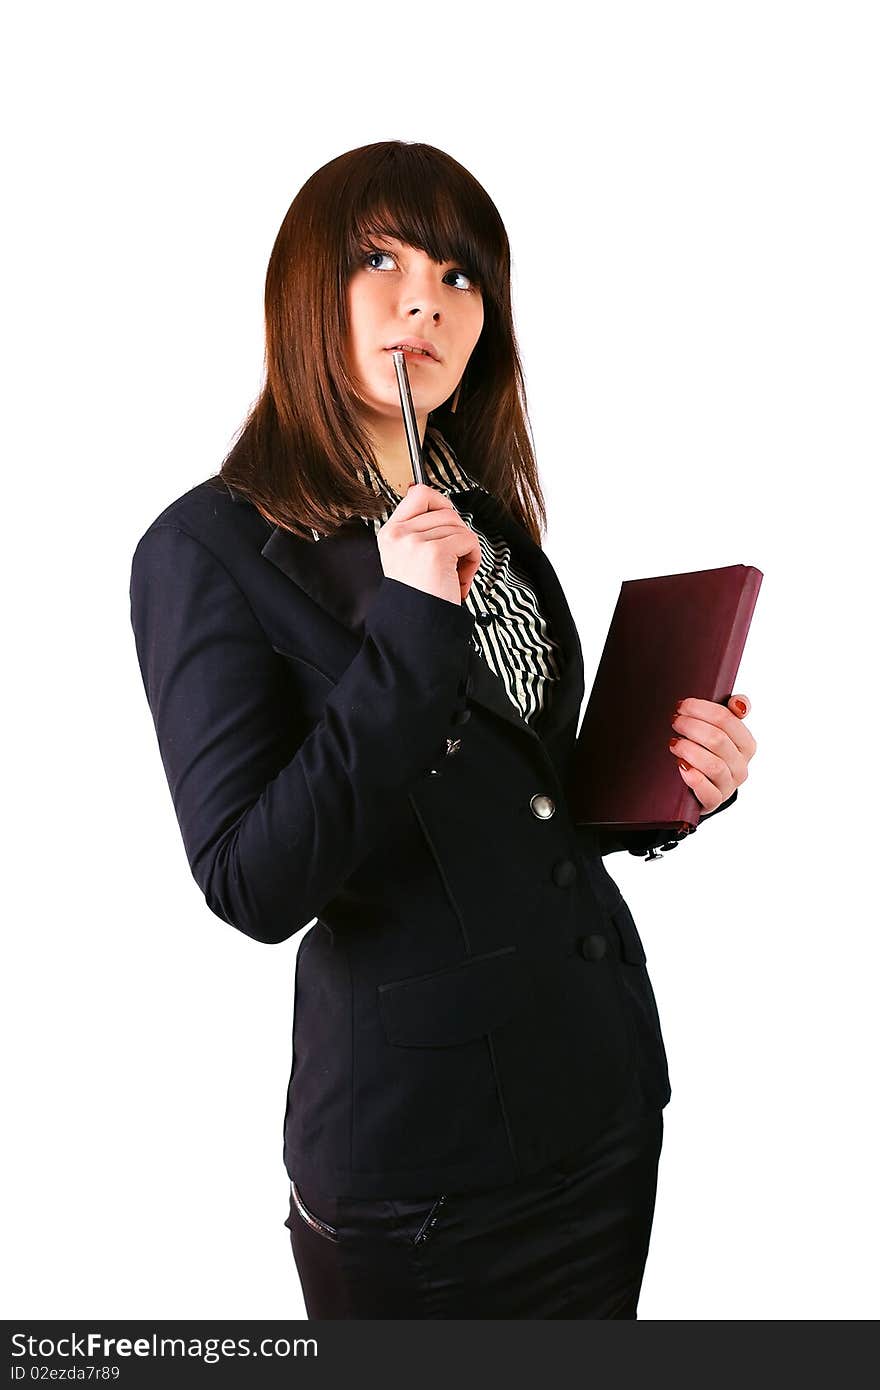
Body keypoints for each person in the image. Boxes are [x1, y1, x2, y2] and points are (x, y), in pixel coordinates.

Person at [129, 140, 757, 1318]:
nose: (425, 297)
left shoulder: (482, 509)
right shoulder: (206, 547)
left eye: (461, 276)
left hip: (600, 1101)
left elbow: (519, 799)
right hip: (422, 1172)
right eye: (380, 258)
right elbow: (252, 880)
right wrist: (413, 620)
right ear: (302, 289)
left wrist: (677, 786)